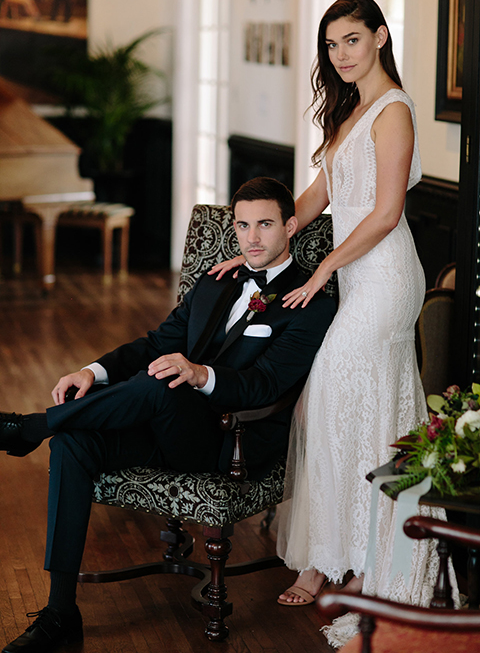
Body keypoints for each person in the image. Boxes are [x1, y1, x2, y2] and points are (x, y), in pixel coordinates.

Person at [0, 177, 336, 653]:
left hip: (228, 440)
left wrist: (200, 374)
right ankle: (59, 614)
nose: (252, 238)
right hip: (166, 425)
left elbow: (266, 385)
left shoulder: (309, 303)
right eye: (242, 226)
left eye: (265, 224)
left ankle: (31, 426)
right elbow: (156, 344)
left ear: (291, 226)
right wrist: (91, 371)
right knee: (73, 442)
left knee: (162, 382)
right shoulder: (217, 281)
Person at [210, 0, 446, 647]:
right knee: (324, 409)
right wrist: (258, 245)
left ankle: (373, 568)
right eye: (332, 44)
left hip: (386, 278)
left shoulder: (393, 110)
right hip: (357, 274)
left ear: (379, 36)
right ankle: (327, 551)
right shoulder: (350, 112)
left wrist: (318, 273)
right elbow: (318, 197)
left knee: (356, 411)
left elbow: (386, 213)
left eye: (351, 40)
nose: (341, 54)